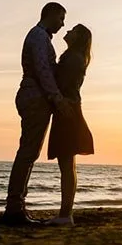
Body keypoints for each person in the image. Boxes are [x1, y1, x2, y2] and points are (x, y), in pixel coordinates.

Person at [2, 1, 74, 225]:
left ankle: (16, 205)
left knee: (29, 152)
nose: (63, 24)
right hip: (35, 97)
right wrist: (57, 99)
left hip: (35, 96)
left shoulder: (41, 37)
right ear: (50, 14)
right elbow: (44, 71)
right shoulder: (38, 37)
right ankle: (14, 207)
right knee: (28, 152)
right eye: (61, 18)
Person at [43, 23, 95, 226]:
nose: (67, 31)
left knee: (66, 163)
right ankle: (66, 213)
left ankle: (65, 214)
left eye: (73, 31)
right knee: (68, 164)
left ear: (78, 37)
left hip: (67, 109)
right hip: (70, 108)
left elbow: (61, 84)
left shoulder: (73, 58)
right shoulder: (75, 57)